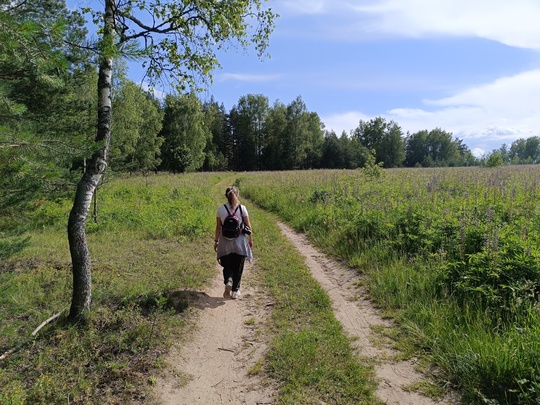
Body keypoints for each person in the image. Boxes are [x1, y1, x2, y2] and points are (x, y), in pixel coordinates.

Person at [214, 186, 253, 299]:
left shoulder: (220, 209)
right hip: (239, 241)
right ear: (237, 195)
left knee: (227, 265)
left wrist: (216, 241)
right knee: (238, 266)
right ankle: (235, 290)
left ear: (226, 196)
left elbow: (218, 228)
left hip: (225, 242)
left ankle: (228, 281)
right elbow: (248, 226)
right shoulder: (242, 208)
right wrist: (250, 239)